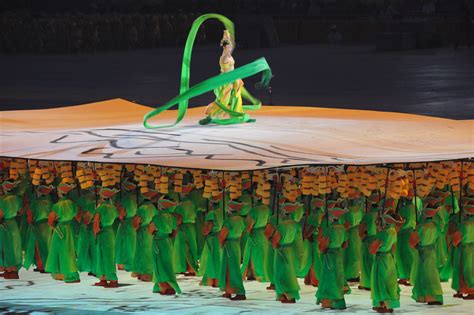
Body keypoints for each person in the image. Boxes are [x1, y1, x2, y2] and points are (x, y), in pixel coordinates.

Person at [410, 198, 444, 305]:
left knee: (426, 275)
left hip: (423, 252)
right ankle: (429, 296)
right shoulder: (436, 226)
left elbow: (412, 242)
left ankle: (432, 296)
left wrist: (417, 245)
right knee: (432, 274)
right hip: (432, 251)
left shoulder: (422, 227)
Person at [316, 204, 350, 310]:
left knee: (329, 279)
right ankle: (334, 301)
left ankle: (331, 301)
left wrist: (322, 246)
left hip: (330, 256)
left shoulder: (329, 230)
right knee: (338, 278)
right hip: (338, 255)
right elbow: (345, 245)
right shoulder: (342, 229)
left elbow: (322, 247)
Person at [45, 183, 80, 283]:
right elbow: (77, 217)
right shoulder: (72, 204)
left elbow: (50, 221)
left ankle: (67, 275)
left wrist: (55, 226)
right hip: (70, 229)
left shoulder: (57, 206)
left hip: (60, 230)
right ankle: (70, 274)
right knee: (70, 251)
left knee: (62, 252)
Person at [369, 212, 401, 313]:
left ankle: (383, 304)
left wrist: (375, 240)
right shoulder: (393, 231)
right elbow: (394, 247)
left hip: (381, 259)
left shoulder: (383, 234)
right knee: (390, 282)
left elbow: (372, 250)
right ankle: (388, 304)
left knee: (380, 282)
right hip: (389, 258)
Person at [149, 194, 181, 295]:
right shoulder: (173, 218)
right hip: (168, 243)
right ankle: (167, 286)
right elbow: (174, 233)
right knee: (168, 265)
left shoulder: (157, 218)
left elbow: (150, 230)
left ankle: (164, 288)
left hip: (158, 242)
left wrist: (157, 233)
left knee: (159, 265)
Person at [272, 198, 301, 303]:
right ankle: (283, 295)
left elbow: (275, 242)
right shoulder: (295, 224)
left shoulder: (282, 226)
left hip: (281, 251)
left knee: (280, 273)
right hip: (290, 250)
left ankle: (288, 295)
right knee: (289, 273)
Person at [219, 199, 246, 300]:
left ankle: (240, 291)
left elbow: (222, 236)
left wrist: (221, 245)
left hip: (229, 245)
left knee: (232, 269)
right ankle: (228, 290)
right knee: (229, 268)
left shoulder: (228, 221)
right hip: (236, 244)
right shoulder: (241, 220)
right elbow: (243, 231)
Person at [242, 196, 272, 282]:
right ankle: (262, 274)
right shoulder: (267, 209)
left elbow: (249, 226)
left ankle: (257, 275)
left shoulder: (254, 211)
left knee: (251, 255)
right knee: (263, 256)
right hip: (264, 234)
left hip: (255, 234)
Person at [23, 185, 53, 273]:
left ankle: (41, 266)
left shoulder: (34, 203)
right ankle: (47, 265)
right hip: (48, 226)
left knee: (38, 247)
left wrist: (31, 223)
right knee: (48, 246)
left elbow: (29, 217)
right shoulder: (50, 202)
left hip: (38, 226)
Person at [93, 188, 119, 288]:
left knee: (102, 256)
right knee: (109, 256)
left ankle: (111, 279)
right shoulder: (113, 208)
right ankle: (103, 278)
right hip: (110, 232)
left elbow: (96, 223)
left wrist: (96, 234)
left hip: (102, 233)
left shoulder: (100, 208)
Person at [173, 182, 199, 276]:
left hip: (182, 227)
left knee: (182, 247)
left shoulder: (182, 203)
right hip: (191, 227)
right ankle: (191, 267)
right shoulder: (191, 201)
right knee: (191, 247)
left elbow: (178, 218)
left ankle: (186, 267)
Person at [395, 194, 421, 285]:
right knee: (410, 255)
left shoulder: (403, 210)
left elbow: (400, 222)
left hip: (403, 233)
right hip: (411, 232)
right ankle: (409, 276)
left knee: (403, 256)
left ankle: (406, 276)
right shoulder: (415, 208)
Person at [132, 190, 158, 282]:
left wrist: (135, 227)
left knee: (142, 253)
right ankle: (149, 273)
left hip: (142, 232)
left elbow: (135, 223)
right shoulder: (153, 208)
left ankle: (144, 273)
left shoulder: (141, 208)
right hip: (151, 232)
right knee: (149, 252)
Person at [451, 197, 474, 299]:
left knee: (464, 269)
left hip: (464, 249)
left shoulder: (464, 225)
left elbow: (456, 240)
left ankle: (470, 290)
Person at [200, 194, 224, 287]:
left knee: (211, 260)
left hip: (213, 238)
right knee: (218, 259)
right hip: (220, 236)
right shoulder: (222, 212)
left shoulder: (212, 213)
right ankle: (217, 280)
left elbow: (207, 230)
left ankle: (211, 281)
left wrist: (204, 230)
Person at [0, 180, 22, 279]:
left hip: (4, 226)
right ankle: (13, 271)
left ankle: (9, 270)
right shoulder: (16, 198)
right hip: (13, 224)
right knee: (15, 247)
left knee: (7, 247)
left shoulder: (2, 200)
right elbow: (20, 212)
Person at [115, 180, 138, 272]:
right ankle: (131, 264)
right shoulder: (133, 199)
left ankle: (124, 265)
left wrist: (117, 208)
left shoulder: (124, 200)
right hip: (131, 224)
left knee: (123, 245)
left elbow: (121, 215)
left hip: (125, 224)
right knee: (131, 245)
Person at [76, 187, 97, 276]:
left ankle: (92, 268)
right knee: (94, 249)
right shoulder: (98, 200)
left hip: (86, 227)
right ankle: (95, 269)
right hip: (95, 227)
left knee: (85, 248)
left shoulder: (82, 200)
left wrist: (82, 222)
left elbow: (78, 215)